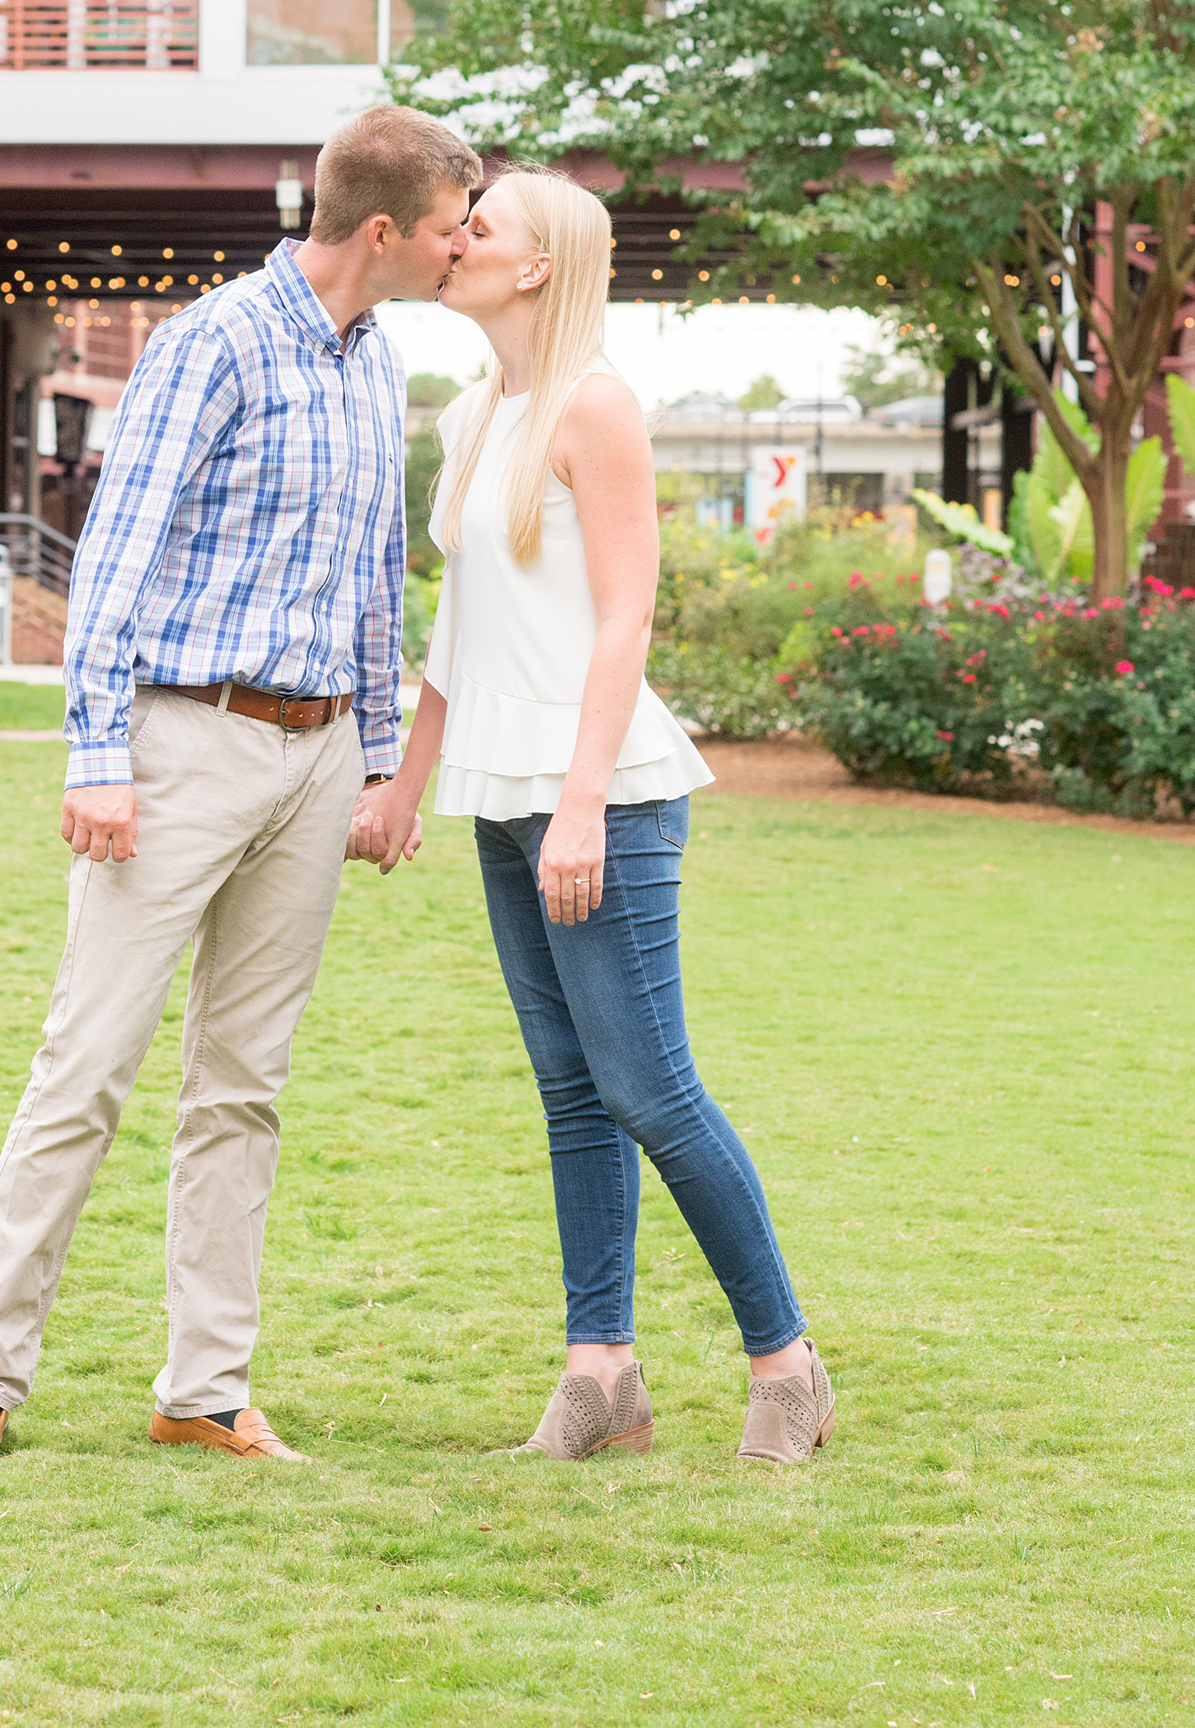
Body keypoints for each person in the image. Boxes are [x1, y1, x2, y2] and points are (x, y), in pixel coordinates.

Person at [0, 105, 480, 1470]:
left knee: (245, 1083)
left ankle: (205, 1387)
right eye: (456, 227)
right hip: (179, 744)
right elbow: (112, 560)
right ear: (385, 228)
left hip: (306, 761)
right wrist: (99, 757)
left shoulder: (380, 362)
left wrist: (368, 765)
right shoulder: (211, 341)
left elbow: (370, 575)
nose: (466, 249)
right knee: (87, 1064)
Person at [350, 168, 833, 1465]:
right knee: (573, 1094)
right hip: (501, 794)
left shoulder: (597, 406)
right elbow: (460, 624)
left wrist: (580, 805)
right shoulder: (469, 416)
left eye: (482, 228)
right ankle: (600, 1371)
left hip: (598, 798)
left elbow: (626, 615)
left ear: (538, 265)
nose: (458, 242)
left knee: (651, 1089)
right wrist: (404, 777)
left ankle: (787, 1363)